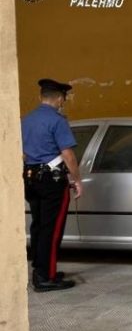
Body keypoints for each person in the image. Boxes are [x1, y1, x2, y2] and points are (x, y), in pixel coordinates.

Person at [22, 79, 83, 292]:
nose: (62, 103)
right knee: (52, 229)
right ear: (59, 98)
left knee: (38, 225)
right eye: (63, 99)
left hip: (30, 178)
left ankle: (40, 270)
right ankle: (46, 278)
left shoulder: (26, 119)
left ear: (41, 97)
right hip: (52, 181)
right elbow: (68, 155)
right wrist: (77, 180)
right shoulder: (57, 121)